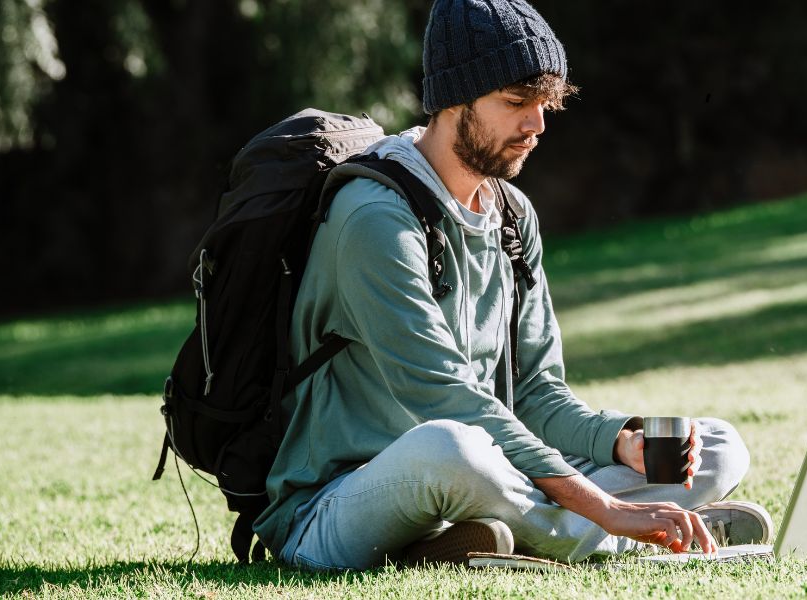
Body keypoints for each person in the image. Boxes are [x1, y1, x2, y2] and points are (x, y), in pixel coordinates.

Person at [253, 0, 773, 570]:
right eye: (517, 103)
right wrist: (605, 508)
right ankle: (609, 536)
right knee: (449, 447)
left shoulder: (511, 216)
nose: (537, 125)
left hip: (484, 478)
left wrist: (620, 440)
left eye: (545, 104)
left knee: (715, 445)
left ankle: (480, 541)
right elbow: (444, 399)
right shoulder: (374, 219)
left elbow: (536, 394)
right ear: (453, 100)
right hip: (339, 505)